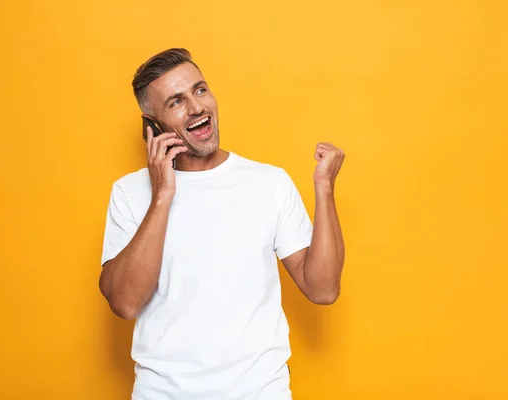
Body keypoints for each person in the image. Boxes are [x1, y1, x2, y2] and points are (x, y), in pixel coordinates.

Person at [99, 48, 345, 400]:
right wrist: (163, 195)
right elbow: (124, 303)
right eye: (176, 102)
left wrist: (324, 188)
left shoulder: (269, 183)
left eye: (200, 90)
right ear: (151, 125)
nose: (197, 107)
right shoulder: (129, 193)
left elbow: (323, 289)